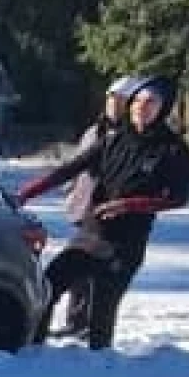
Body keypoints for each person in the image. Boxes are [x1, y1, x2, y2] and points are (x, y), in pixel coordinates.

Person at [14, 75, 189, 350]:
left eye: (150, 103)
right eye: (138, 101)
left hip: (126, 242)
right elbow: (70, 169)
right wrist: (27, 193)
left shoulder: (173, 149)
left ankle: (100, 373)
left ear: (163, 108)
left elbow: (177, 199)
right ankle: (33, 349)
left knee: (102, 311)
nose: (141, 108)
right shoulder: (113, 138)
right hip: (91, 232)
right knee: (48, 287)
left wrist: (128, 205)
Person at [55, 75, 138, 336]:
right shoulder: (94, 130)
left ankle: (93, 325)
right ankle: (77, 320)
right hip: (83, 207)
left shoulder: (131, 135)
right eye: (111, 98)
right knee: (76, 268)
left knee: (100, 270)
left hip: (111, 212)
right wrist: (70, 190)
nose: (114, 104)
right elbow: (78, 163)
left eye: (121, 100)